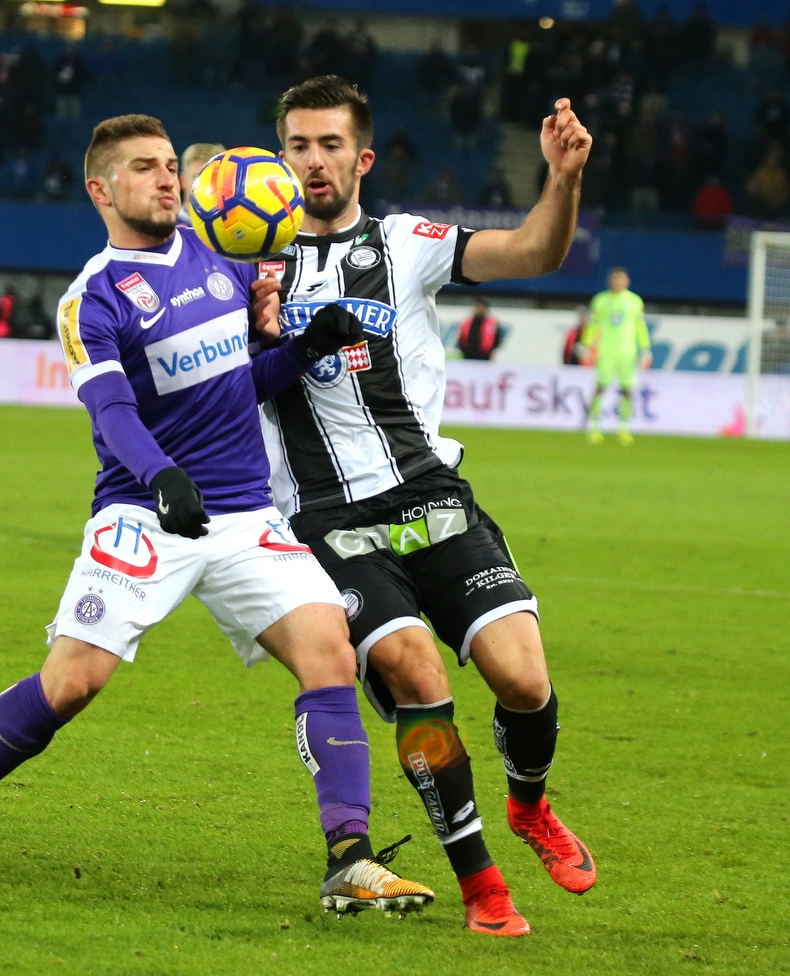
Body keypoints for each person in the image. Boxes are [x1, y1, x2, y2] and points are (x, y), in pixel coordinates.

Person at [0, 114, 435, 918]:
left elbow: (237, 384)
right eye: (145, 167)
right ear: (101, 189)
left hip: (245, 513)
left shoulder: (221, 261)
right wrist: (160, 476)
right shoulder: (94, 298)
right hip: (145, 513)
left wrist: (304, 347)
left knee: (329, 652)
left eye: (170, 165)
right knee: (73, 683)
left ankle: (348, 858)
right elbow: (111, 411)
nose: (167, 178)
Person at [260, 76, 596, 938]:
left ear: (361, 157)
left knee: (522, 678)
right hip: (330, 522)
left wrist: (562, 181)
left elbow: (532, 254)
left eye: (330, 145)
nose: (313, 161)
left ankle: (528, 806)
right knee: (417, 671)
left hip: (430, 496)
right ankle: (482, 885)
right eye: (298, 145)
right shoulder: (247, 268)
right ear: (278, 156)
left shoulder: (406, 241)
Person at [582, 267, 652, 445]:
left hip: (627, 351)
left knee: (627, 389)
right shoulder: (601, 300)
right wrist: (586, 345)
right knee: (600, 387)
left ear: (627, 282)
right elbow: (593, 324)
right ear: (610, 282)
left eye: (621, 280)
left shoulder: (634, 301)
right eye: (615, 280)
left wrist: (645, 349)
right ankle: (594, 427)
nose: (618, 283)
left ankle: (624, 428)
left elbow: (640, 326)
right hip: (606, 350)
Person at [177, 141, 225, 224]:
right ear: (183, 181)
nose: (204, 185)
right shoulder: (165, 228)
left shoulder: (233, 229)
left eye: (211, 178)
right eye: (197, 177)